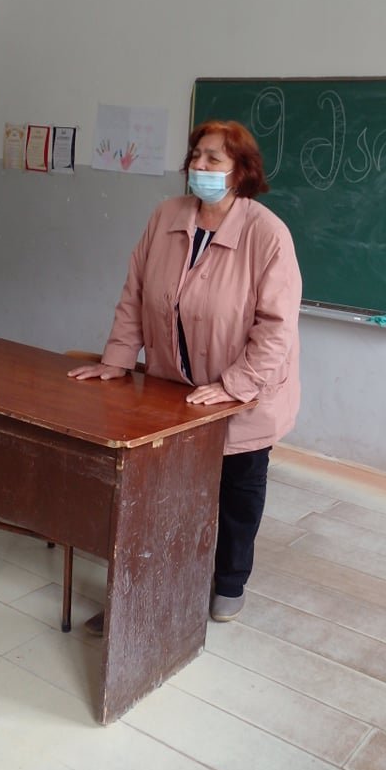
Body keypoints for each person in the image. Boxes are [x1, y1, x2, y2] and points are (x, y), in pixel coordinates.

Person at [68, 119, 301, 630]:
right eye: (196, 156)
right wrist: (116, 360)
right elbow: (135, 293)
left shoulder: (267, 234)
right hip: (173, 388)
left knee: (238, 488)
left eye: (214, 159)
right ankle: (155, 586)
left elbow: (276, 328)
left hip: (245, 394)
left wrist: (234, 386)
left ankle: (229, 580)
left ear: (241, 170)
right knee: (165, 491)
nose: (200, 166)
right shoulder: (166, 216)